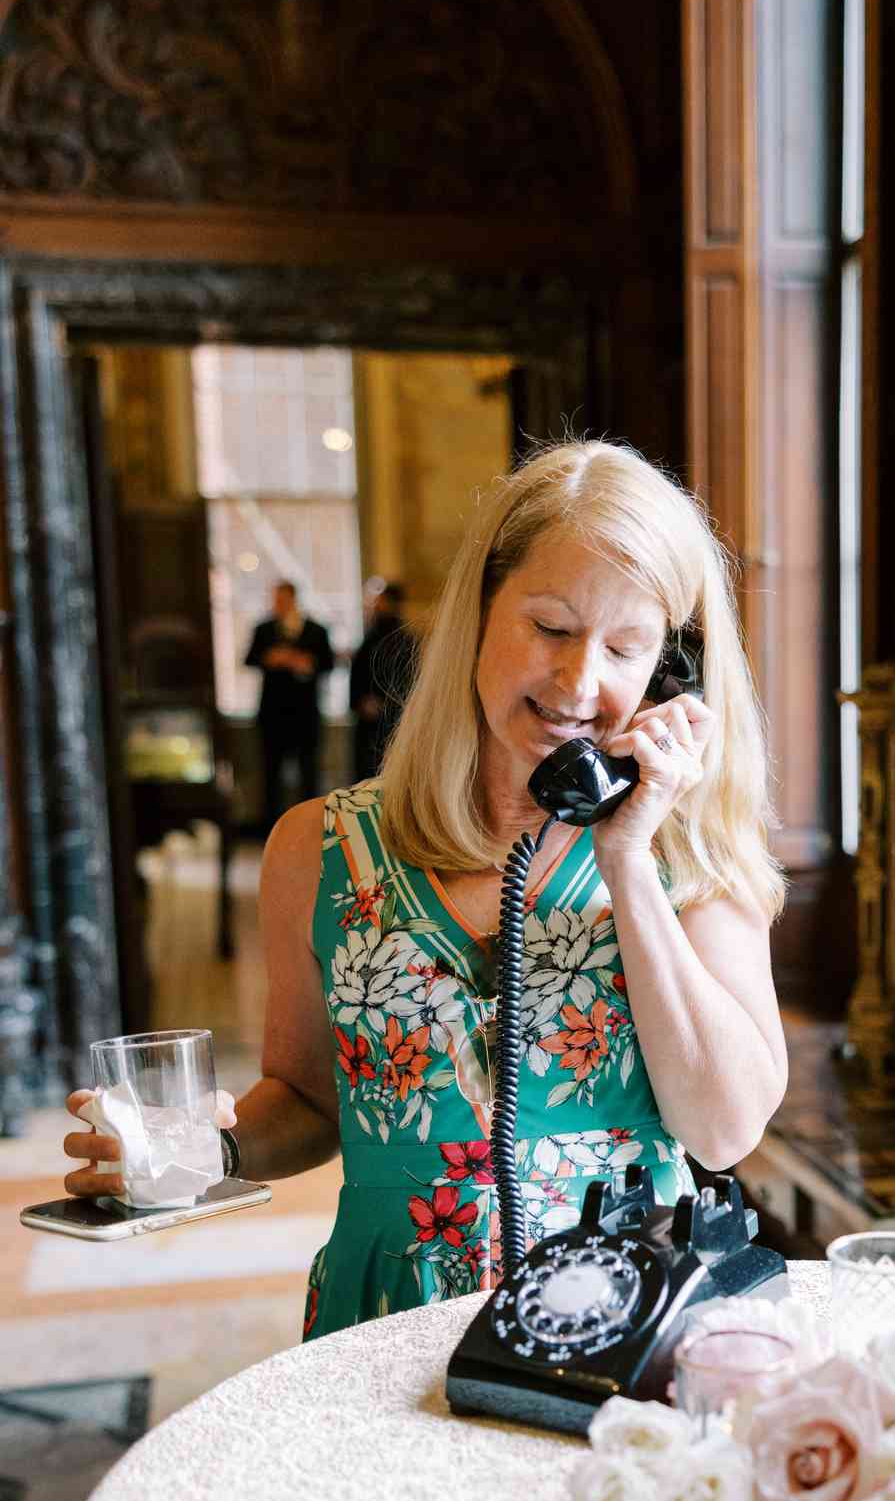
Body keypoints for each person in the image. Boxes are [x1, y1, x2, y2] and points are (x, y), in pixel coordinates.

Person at [63, 441, 788, 1340]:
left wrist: (629, 858)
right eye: (552, 628)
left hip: (617, 1320)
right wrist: (199, 1150)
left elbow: (725, 1132)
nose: (579, 682)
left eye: (626, 647)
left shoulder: (692, 846)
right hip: (384, 1318)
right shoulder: (315, 848)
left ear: (665, 672)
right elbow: (313, 1096)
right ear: (478, 613)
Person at [245, 580, 334, 833]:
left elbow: (328, 664)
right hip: (273, 715)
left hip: (305, 715)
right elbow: (249, 659)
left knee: (309, 774)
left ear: (293, 599)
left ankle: (313, 829)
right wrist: (270, 658)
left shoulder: (316, 630)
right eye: (275, 599)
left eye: (282, 599)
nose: (277, 604)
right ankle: (271, 831)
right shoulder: (263, 629)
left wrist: (305, 663)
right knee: (270, 775)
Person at [348, 579, 416, 780]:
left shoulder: (406, 640)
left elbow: (409, 680)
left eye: (382, 602)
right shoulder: (369, 638)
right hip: (368, 720)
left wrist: (387, 703)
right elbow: (358, 675)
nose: (377, 606)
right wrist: (361, 701)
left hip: (394, 719)